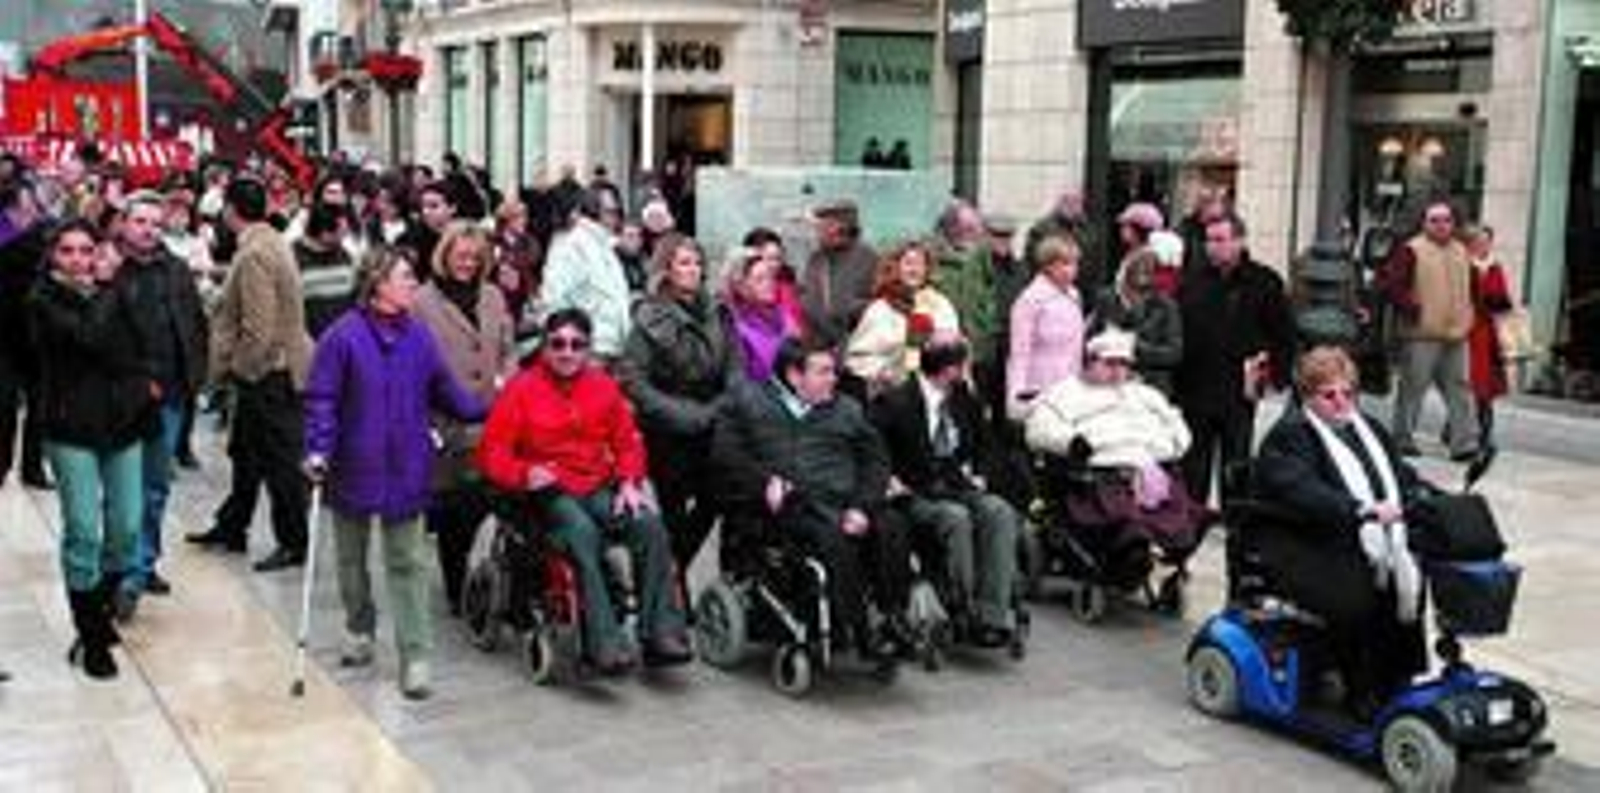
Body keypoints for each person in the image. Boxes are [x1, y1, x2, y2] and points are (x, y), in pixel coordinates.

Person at [303, 247, 487, 699]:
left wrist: (489, 410)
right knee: (350, 560)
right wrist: (317, 449)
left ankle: (415, 655)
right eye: (404, 276)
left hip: (407, 464)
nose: (412, 283)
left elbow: (445, 390)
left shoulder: (420, 337)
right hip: (352, 464)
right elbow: (322, 399)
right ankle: (359, 627)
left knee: (408, 562)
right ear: (378, 283)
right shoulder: (342, 337)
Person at [477, 309, 691, 673]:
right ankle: (602, 643)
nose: (566, 352)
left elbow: (628, 442)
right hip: (547, 491)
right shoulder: (522, 388)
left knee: (648, 524)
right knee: (581, 533)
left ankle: (660, 634)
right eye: (557, 344)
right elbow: (491, 453)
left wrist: (629, 481)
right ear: (545, 347)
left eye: (576, 345)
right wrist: (524, 472)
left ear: (588, 349)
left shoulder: (602, 386)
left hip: (597, 486)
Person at [1251, 346, 1429, 717]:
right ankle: (1360, 687)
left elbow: (1399, 476)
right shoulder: (1291, 435)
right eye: (1328, 395)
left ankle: (1397, 678)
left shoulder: (1369, 430)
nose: (1341, 402)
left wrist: (1426, 497)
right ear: (1307, 395)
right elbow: (1301, 490)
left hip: (1353, 538)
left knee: (1409, 574)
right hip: (1300, 540)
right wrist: (1359, 510)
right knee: (1356, 590)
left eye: (1348, 393)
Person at [711, 337, 908, 662]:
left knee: (892, 526)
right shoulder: (749, 404)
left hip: (846, 500)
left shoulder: (847, 410)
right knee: (831, 540)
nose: (834, 379)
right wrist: (764, 482)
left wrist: (862, 506)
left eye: (834, 371)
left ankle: (892, 616)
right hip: (791, 507)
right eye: (824, 372)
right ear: (794, 375)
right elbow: (726, 457)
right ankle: (858, 630)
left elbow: (876, 461)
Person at [28, 219, 152, 679]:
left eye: (86, 250)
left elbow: (138, 345)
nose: (79, 260)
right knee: (83, 531)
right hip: (70, 428)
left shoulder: (113, 293)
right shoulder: (43, 300)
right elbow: (90, 337)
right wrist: (110, 288)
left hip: (122, 424)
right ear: (54, 256)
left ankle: (95, 615)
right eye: (68, 251)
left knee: (126, 527)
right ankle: (93, 636)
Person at [186, 177, 315, 572]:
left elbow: (259, 327)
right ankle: (232, 525)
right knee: (245, 453)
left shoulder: (255, 253)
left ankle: (294, 542)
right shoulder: (272, 241)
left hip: (269, 373)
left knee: (279, 462)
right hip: (279, 366)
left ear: (229, 211)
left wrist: (240, 371)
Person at [871, 336, 1020, 645]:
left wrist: (981, 473)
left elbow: (985, 444)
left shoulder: (964, 398)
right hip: (914, 491)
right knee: (956, 518)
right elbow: (873, 448)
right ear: (950, 370)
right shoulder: (896, 402)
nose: (966, 373)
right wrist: (887, 479)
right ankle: (961, 605)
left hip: (956, 483)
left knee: (999, 511)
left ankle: (992, 611)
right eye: (963, 366)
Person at [1024, 328, 1206, 566]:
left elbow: (1175, 423)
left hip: (1149, 468)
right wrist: (1071, 442)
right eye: (1110, 363)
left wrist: (1170, 446)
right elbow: (1039, 428)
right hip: (1098, 475)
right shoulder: (1065, 393)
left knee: (1184, 515)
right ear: (1090, 363)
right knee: (1123, 519)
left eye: (1123, 364)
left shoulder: (1145, 395)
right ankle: (1133, 549)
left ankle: (1157, 550)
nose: (1117, 370)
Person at [618, 236, 739, 573]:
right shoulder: (650, 315)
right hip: (667, 426)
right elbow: (633, 377)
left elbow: (735, 367)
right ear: (668, 269)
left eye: (697, 263)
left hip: (712, 419)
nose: (693, 270)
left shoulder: (718, 311)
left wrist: (717, 408)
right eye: (684, 263)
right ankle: (673, 588)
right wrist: (679, 413)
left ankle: (674, 567)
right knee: (672, 509)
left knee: (716, 496)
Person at [413, 223, 515, 616]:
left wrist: (505, 379)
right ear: (445, 253)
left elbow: (506, 347)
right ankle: (457, 587)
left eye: (475, 257)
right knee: (454, 509)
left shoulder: (492, 296)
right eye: (461, 255)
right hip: (446, 421)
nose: (468, 264)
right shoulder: (422, 301)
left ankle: (494, 575)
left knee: (489, 499)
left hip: (493, 417)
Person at [113, 191, 208, 607]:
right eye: (140, 221)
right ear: (124, 223)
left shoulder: (176, 270)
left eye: (155, 222)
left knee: (154, 486)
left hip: (169, 394)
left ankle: (141, 566)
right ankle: (122, 567)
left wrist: (196, 379)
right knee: (120, 487)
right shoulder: (110, 268)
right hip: (119, 397)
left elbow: (194, 326)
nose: (149, 229)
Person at [1175, 211, 1294, 506]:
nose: (1213, 246)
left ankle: (1236, 516)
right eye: (1209, 240)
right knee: (1195, 463)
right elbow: (1180, 334)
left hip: (1239, 390)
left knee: (1236, 459)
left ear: (1239, 241)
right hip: (1196, 388)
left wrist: (1276, 375)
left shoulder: (1265, 281)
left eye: (1220, 239)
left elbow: (1283, 334)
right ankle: (1194, 513)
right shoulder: (1192, 281)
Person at [1379, 199, 1479, 461]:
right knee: (1413, 389)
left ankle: (1464, 444)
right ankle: (1402, 439)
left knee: (1461, 390)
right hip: (1421, 334)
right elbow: (1391, 284)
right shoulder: (1412, 249)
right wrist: (1412, 309)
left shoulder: (1461, 250)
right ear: (1424, 223)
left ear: (1453, 223)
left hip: (1457, 334)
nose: (1441, 225)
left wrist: (1470, 315)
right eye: (1434, 220)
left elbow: (1473, 287)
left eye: (1446, 220)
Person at [844, 240, 961, 397]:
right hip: (892, 396)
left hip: (935, 393)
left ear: (927, 269)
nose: (914, 269)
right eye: (908, 263)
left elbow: (954, 347)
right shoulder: (880, 309)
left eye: (920, 264)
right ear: (896, 267)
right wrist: (884, 372)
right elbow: (858, 358)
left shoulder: (940, 305)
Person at [0, 179, 52, 489]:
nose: (31, 211)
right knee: (4, 404)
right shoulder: (13, 238)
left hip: (37, 336)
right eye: (25, 207)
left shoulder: (41, 238)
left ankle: (33, 469)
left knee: (40, 406)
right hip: (4, 336)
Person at [540, 190, 633, 361]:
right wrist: (569, 346)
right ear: (596, 212)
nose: (616, 219)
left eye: (617, 212)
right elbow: (554, 300)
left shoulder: (603, 245)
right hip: (589, 349)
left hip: (611, 347)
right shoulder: (572, 246)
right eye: (612, 212)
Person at [1006, 234, 1086, 420]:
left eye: (1075, 264)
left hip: (1070, 387)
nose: (1072, 270)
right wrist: (1016, 396)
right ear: (1047, 266)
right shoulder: (1029, 300)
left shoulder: (1075, 295)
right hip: (1039, 387)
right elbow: (1019, 353)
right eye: (1065, 264)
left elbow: (1076, 348)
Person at [1090, 244, 1183, 397]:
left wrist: (1134, 347)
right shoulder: (1107, 299)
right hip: (1109, 386)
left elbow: (1174, 353)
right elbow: (1090, 341)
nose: (1143, 275)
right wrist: (1108, 344)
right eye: (1138, 268)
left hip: (1150, 388)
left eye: (1149, 270)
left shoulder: (1166, 306)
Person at [801, 199, 878, 347]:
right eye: (818, 226)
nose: (817, 232)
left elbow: (878, 305)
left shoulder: (867, 258)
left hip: (854, 347)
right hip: (818, 349)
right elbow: (807, 297)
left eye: (822, 226)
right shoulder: (816, 260)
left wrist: (848, 309)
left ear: (841, 228)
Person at [722, 242, 802, 383]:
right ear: (740, 287)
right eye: (759, 279)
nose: (769, 283)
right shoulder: (733, 326)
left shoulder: (782, 315)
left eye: (770, 277)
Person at [1464, 225, 1513, 448]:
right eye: (1478, 241)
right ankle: (1454, 429)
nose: (1482, 245)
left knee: (1484, 389)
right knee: (1463, 386)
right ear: (1471, 243)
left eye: (1486, 241)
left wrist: (1496, 301)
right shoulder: (1463, 265)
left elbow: (1503, 301)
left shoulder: (1495, 267)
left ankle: (1485, 433)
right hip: (1465, 332)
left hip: (1487, 335)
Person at [295, 202, 357, 339]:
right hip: (309, 346)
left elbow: (353, 302)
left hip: (342, 343)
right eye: (341, 233)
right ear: (325, 233)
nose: (344, 237)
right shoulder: (293, 258)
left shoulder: (345, 256)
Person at [1025, 190, 1100, 292]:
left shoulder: (1087, 229)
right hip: (1051, 288)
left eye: (1076, 201)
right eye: (1067, 201)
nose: (1072, 205)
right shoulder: (1042, 229)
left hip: (1082, 289)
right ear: (1059, 203)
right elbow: (1032, 262)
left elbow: (1093, 261)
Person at [398, 180, 456, 283]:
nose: (426, 212)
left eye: (434, 206)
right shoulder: (409, 240)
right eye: (423, 206)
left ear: (452, 208)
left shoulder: (462, 237)